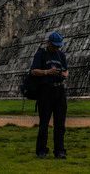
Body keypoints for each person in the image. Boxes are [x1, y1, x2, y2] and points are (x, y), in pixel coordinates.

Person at [30, 31, 69, 159]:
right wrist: (47, 72)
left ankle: (60, 151)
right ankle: (41, 150)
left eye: (58, 46)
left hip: (59, 91)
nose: (56, 48)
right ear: (49, 43)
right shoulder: (41, 54)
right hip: (45, 91)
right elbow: (34, 71)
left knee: (60, 124)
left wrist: (63, 74)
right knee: (44, 123)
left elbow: (66, 71)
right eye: (54, 45)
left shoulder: (61, 55)